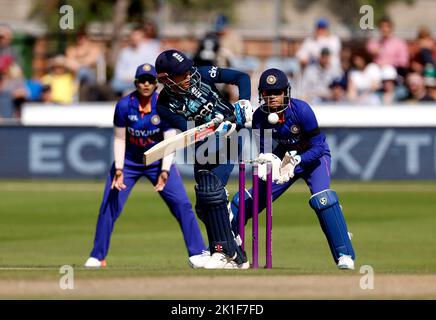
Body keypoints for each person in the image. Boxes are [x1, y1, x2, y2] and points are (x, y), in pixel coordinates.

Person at [85, 63, 209, 269]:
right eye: (142, 80)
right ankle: (97, 256)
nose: (146, 84)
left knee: (182, 205)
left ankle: (198, 253)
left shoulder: (164, 105)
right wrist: (118, 169)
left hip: (158, 161)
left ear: (156, 83)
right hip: (130, 163)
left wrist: (165, 170)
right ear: (136, 83)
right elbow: (120, 140)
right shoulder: (125, 105)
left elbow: (171, 139)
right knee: (109, 205)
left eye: (150, 80)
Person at [230, 68, 356, 270]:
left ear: (286, 92)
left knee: (322, 200)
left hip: (314, 158)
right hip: (284, 161)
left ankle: (344, 254)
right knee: (247, 200)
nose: (272, 98)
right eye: (267, 93)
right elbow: (266, 150)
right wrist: (268, 162)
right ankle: (230, 247)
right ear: (261, 94)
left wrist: (298, 159)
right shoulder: (259, 118)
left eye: (277, 92)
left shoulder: (301, 110)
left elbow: (318, 146)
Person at [154, 49, 253, 269]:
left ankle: (221, 252)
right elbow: (191, 132)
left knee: (211, 192)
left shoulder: (203, 73)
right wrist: (212, 128)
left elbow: (241, 77)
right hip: (204, 144)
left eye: (188, 70)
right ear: (166, 79)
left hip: (231, 135)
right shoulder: (164, 106)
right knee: (203, 205)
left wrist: (243, 103)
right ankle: (235, 254)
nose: (189, 75)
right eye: (182, 74)